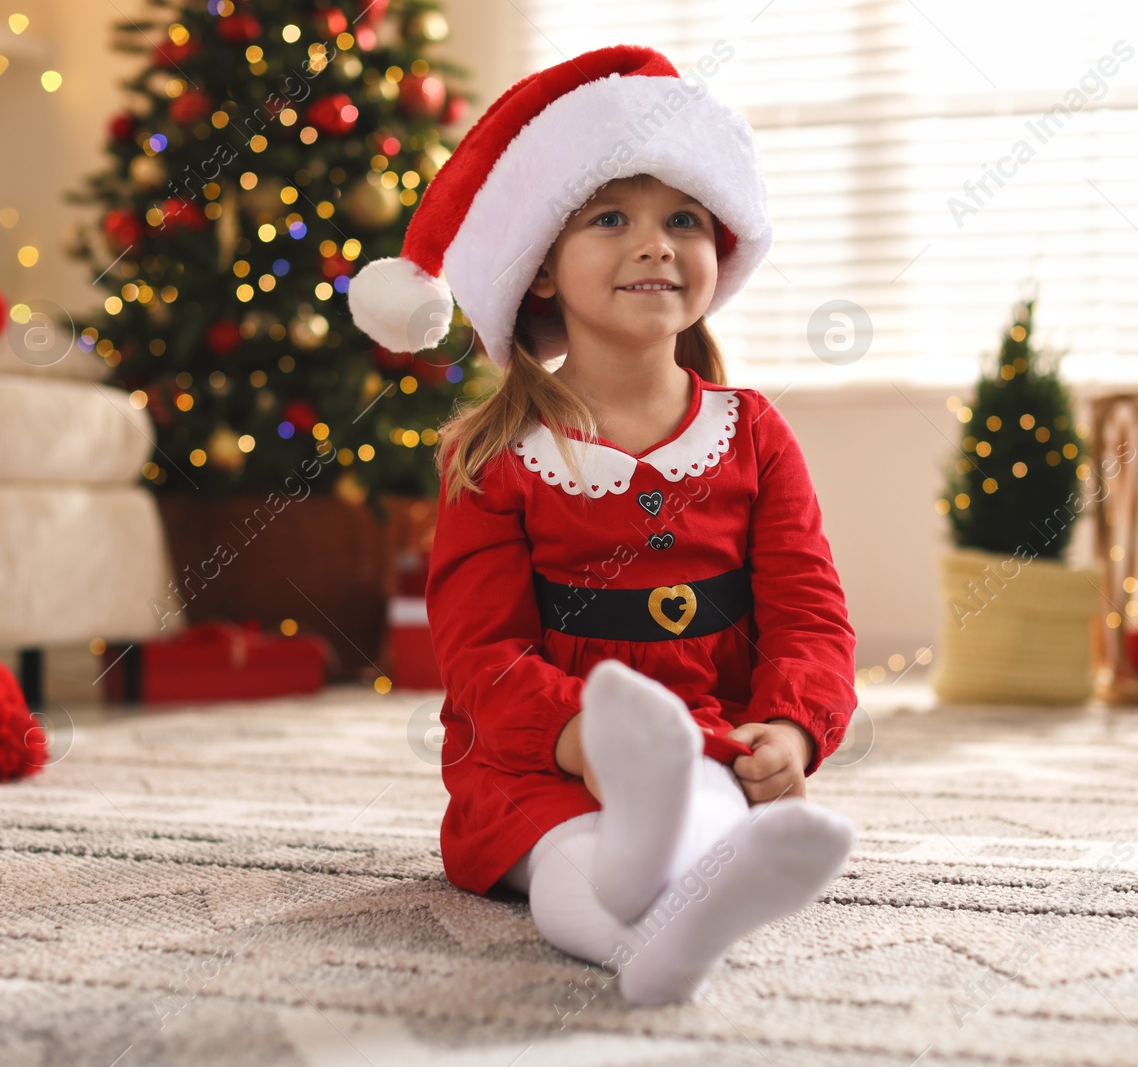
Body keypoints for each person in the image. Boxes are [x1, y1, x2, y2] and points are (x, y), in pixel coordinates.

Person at [347, 44, 859, 1007]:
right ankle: (651, 933)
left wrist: (790, 728)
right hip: (535, 757)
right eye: (611, 217)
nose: (657, 243)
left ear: (721, 250)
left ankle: (680, 897)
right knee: (572, 853)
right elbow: (479, 651)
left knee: (697, 813)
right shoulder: (493, 456)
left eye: (685, 219)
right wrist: (586, 740)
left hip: (709, 738)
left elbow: (810, 612)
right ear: (541, 271)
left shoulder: (753, 434)